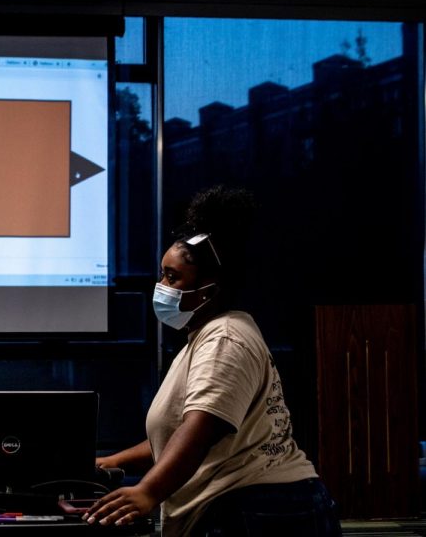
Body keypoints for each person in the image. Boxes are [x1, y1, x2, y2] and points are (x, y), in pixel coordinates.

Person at [84, 185, 340, 536]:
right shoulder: (203, 337)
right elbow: (175, 432)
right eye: (162, 274)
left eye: (172, 277)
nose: (161, 285)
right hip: (252, 507)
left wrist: (147, 492)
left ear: (209, 289)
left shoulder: (225, 340)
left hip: (265, 510)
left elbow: (200, 431)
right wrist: (115, 462)